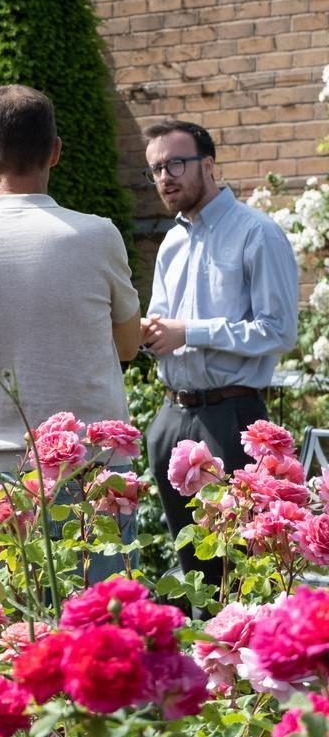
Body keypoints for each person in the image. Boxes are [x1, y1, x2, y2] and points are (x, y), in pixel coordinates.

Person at [0, 84, 142, 573]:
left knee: (8, 636)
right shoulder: (98, 235)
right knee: (99, 633)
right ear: (56, 151)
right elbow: (128, 348)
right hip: (93, 469)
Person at [140, 119, 298, 584]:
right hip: (171, 417)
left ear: (208, 164)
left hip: (232, 418)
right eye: (156, 169)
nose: (165, 176)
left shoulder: (257, 233)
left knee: (243, 569)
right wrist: (150, 334)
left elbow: (278, 331)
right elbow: (164, 324)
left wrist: (189, 331)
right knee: (195, 574)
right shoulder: (171, 242)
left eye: (176, 163)